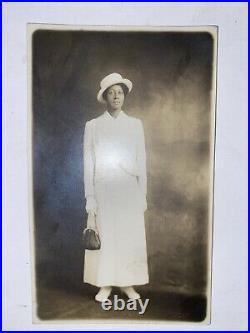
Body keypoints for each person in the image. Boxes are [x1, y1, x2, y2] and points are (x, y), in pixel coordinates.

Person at [83, 73, 149, 302]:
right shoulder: (93, 126)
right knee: (108, 236)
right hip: (103, 189)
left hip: (128, 189)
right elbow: (88, 163)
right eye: (111, 93)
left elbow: (142, 161)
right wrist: (90, 197)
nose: (116, 96)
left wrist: (142, 195)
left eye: (119, 92)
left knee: (128, 237)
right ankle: (106, 283)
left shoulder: (134, 125)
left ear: (124, 95)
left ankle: (127, 284)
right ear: (105, 97)